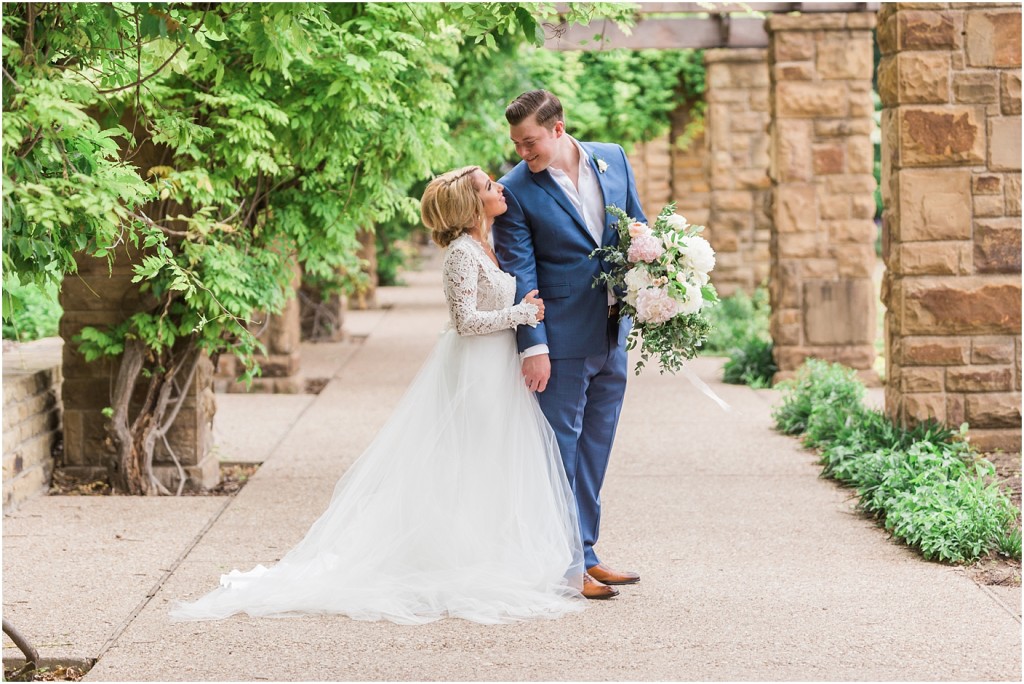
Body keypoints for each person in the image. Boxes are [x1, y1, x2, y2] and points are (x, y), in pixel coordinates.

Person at [170, 166, 586, 625]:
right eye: (489, 186)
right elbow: (465, 322)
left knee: (491, 459)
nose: (499, 188)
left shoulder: (488, 244)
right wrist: (520, 314)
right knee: (470, 458)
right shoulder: (461, 255)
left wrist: (519, 314)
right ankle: (460, 560)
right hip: (475, 371)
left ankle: (491, 551)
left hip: (497, 369)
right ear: (470, 205)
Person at [493, 90, 646, 600]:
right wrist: (531, 345)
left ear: (558, 129)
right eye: (516, 143)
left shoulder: (614, 158)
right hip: (559, 337)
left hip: (612, 329)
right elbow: (519, 271)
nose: (522, 153)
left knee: (595, 447)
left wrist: (658, 281)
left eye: (530, 141)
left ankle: (587, 552)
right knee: (560, 448)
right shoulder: (515, 189)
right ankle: (565, 565)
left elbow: (639, 229)